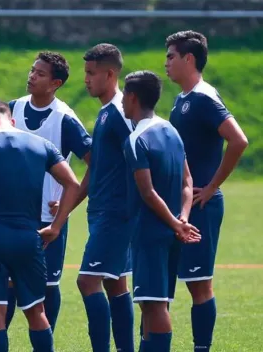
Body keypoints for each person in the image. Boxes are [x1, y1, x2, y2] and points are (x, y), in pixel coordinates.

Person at [0, 100, 80, 352]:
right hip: (29, 238)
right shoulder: (42, 145)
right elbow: (73, 184)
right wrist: (56, 225)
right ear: (12, 120)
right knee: (36, 311)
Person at [165, 30, 248, 351]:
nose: (166, 63)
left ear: (189, 59)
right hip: (179, 204)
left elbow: (239, 140)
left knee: (199, 286)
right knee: (166, 283)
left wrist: (212, 186)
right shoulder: (183, 98)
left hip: (201, 205)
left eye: (171, 56)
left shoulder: (203, 98)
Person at [7, 51, 92, 332]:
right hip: (11, 214)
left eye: (40, 74)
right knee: (7, 284)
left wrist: (68, 206)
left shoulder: (64, 119)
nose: (32, 76)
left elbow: (96, 164)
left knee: (47, 285)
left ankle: (46, 342)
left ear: (55, 84)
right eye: (32, 70)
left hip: (48, 219)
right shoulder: (12, 110)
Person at [122, 70, 201, 352]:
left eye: (123, 96)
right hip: (171, 233)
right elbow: (187, 181)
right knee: (157, 303)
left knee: (153, 307)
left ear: (132, 98)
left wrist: (174, 223)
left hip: (150, 233)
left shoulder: (135, 139)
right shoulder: (171, 131)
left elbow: (147, 192)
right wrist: (183, 217)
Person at [76, 43, 135, 352]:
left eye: (91, 73)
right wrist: (67, 206)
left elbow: (143, 155)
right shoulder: (105, 113)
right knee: (115, 284)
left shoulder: (122, 113)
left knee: (87, 282)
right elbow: (97, 169)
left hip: (115, 214)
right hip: (102, 212)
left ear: (110, 74)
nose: (86, 79)